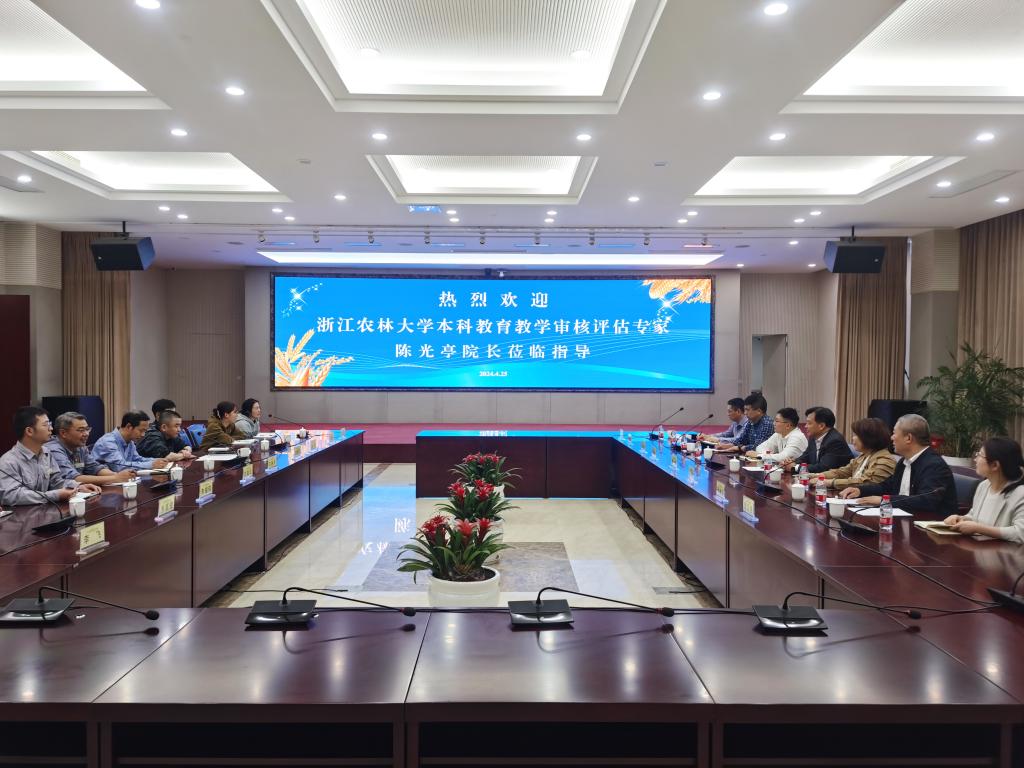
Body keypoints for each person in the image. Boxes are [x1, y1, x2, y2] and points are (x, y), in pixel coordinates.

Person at [840, 414, 957, 517]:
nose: (891, 437)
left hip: (927, 526)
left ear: (908, 438)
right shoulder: (904, 462)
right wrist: (860, 490)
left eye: (894, 433)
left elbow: (926, 500)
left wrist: (884, 500)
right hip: (902, 519)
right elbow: (887, 486)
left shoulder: (934, 465)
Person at [0, 406, 101, 506]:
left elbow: (56, 481)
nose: (51, 429)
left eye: (50, 424)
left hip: (45, 511)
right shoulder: (8, 462)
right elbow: (10, 496)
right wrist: (54, 495)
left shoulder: (46, 453)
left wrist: (78, 486)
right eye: (46, 425)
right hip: (21, 515)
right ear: (29, 431)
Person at [943, 437, 1024, 542]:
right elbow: (974, 515)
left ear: (995, 465)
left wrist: (979, 529)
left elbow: (1020, 533)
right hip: (980, 548)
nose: (975, 459)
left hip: (1005, 552)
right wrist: (961, 519)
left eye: (980, 455)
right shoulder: (983, 486)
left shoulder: (1020, 494)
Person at [49, 411, 136, 486]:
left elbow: (95, 467)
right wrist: (115, 478)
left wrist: (118, 475)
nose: (86, 434)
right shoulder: (53, 449)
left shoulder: (80, 447)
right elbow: (73, 478)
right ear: (63, 433)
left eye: (87, 429)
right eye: (81, 430)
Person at [819, 417, 898, 490]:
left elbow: (866, 483)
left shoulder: (885, 460)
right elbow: (842, 472)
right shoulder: (864, 455)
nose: (853, 438)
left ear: (869, 438)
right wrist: (817, 476)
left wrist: (831, 482)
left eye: (856, 435)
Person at [92, 411, 170, 472]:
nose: (143, 435)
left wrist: (157, 460)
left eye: (145, 431)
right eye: (141, 430)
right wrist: (151, 465)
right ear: (129, 426)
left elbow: (137, 459)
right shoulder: (108, 442)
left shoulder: (130, 441)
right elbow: (119, 466)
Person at [784, 406, 854, 473]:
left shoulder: (835, 441)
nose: (805, 426)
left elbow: (823, 468)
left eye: (809, 423)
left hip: (837, 479)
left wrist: (795, 467)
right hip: (817, 478)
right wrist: (792, 463)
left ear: (821, 426)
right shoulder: (813, 437)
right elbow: (806, 456)